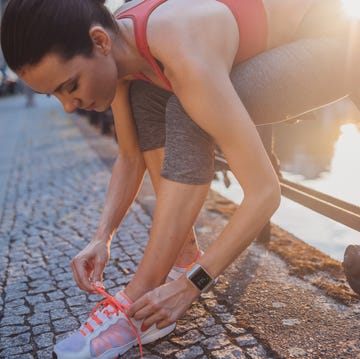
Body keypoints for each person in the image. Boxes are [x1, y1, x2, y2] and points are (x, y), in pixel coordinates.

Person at [1, 0, 355, 357]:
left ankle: (138, 298)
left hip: (333, 42)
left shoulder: (179, 46)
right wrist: (101, 237)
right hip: (258, 50)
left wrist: (191, 285)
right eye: (55, 95)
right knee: (145, 98)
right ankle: (181, 254)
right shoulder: (119, 41)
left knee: (187, 108)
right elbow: (129, 156)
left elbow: (264, 193)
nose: (69, 105)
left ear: (100, 42)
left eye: (70, 85)